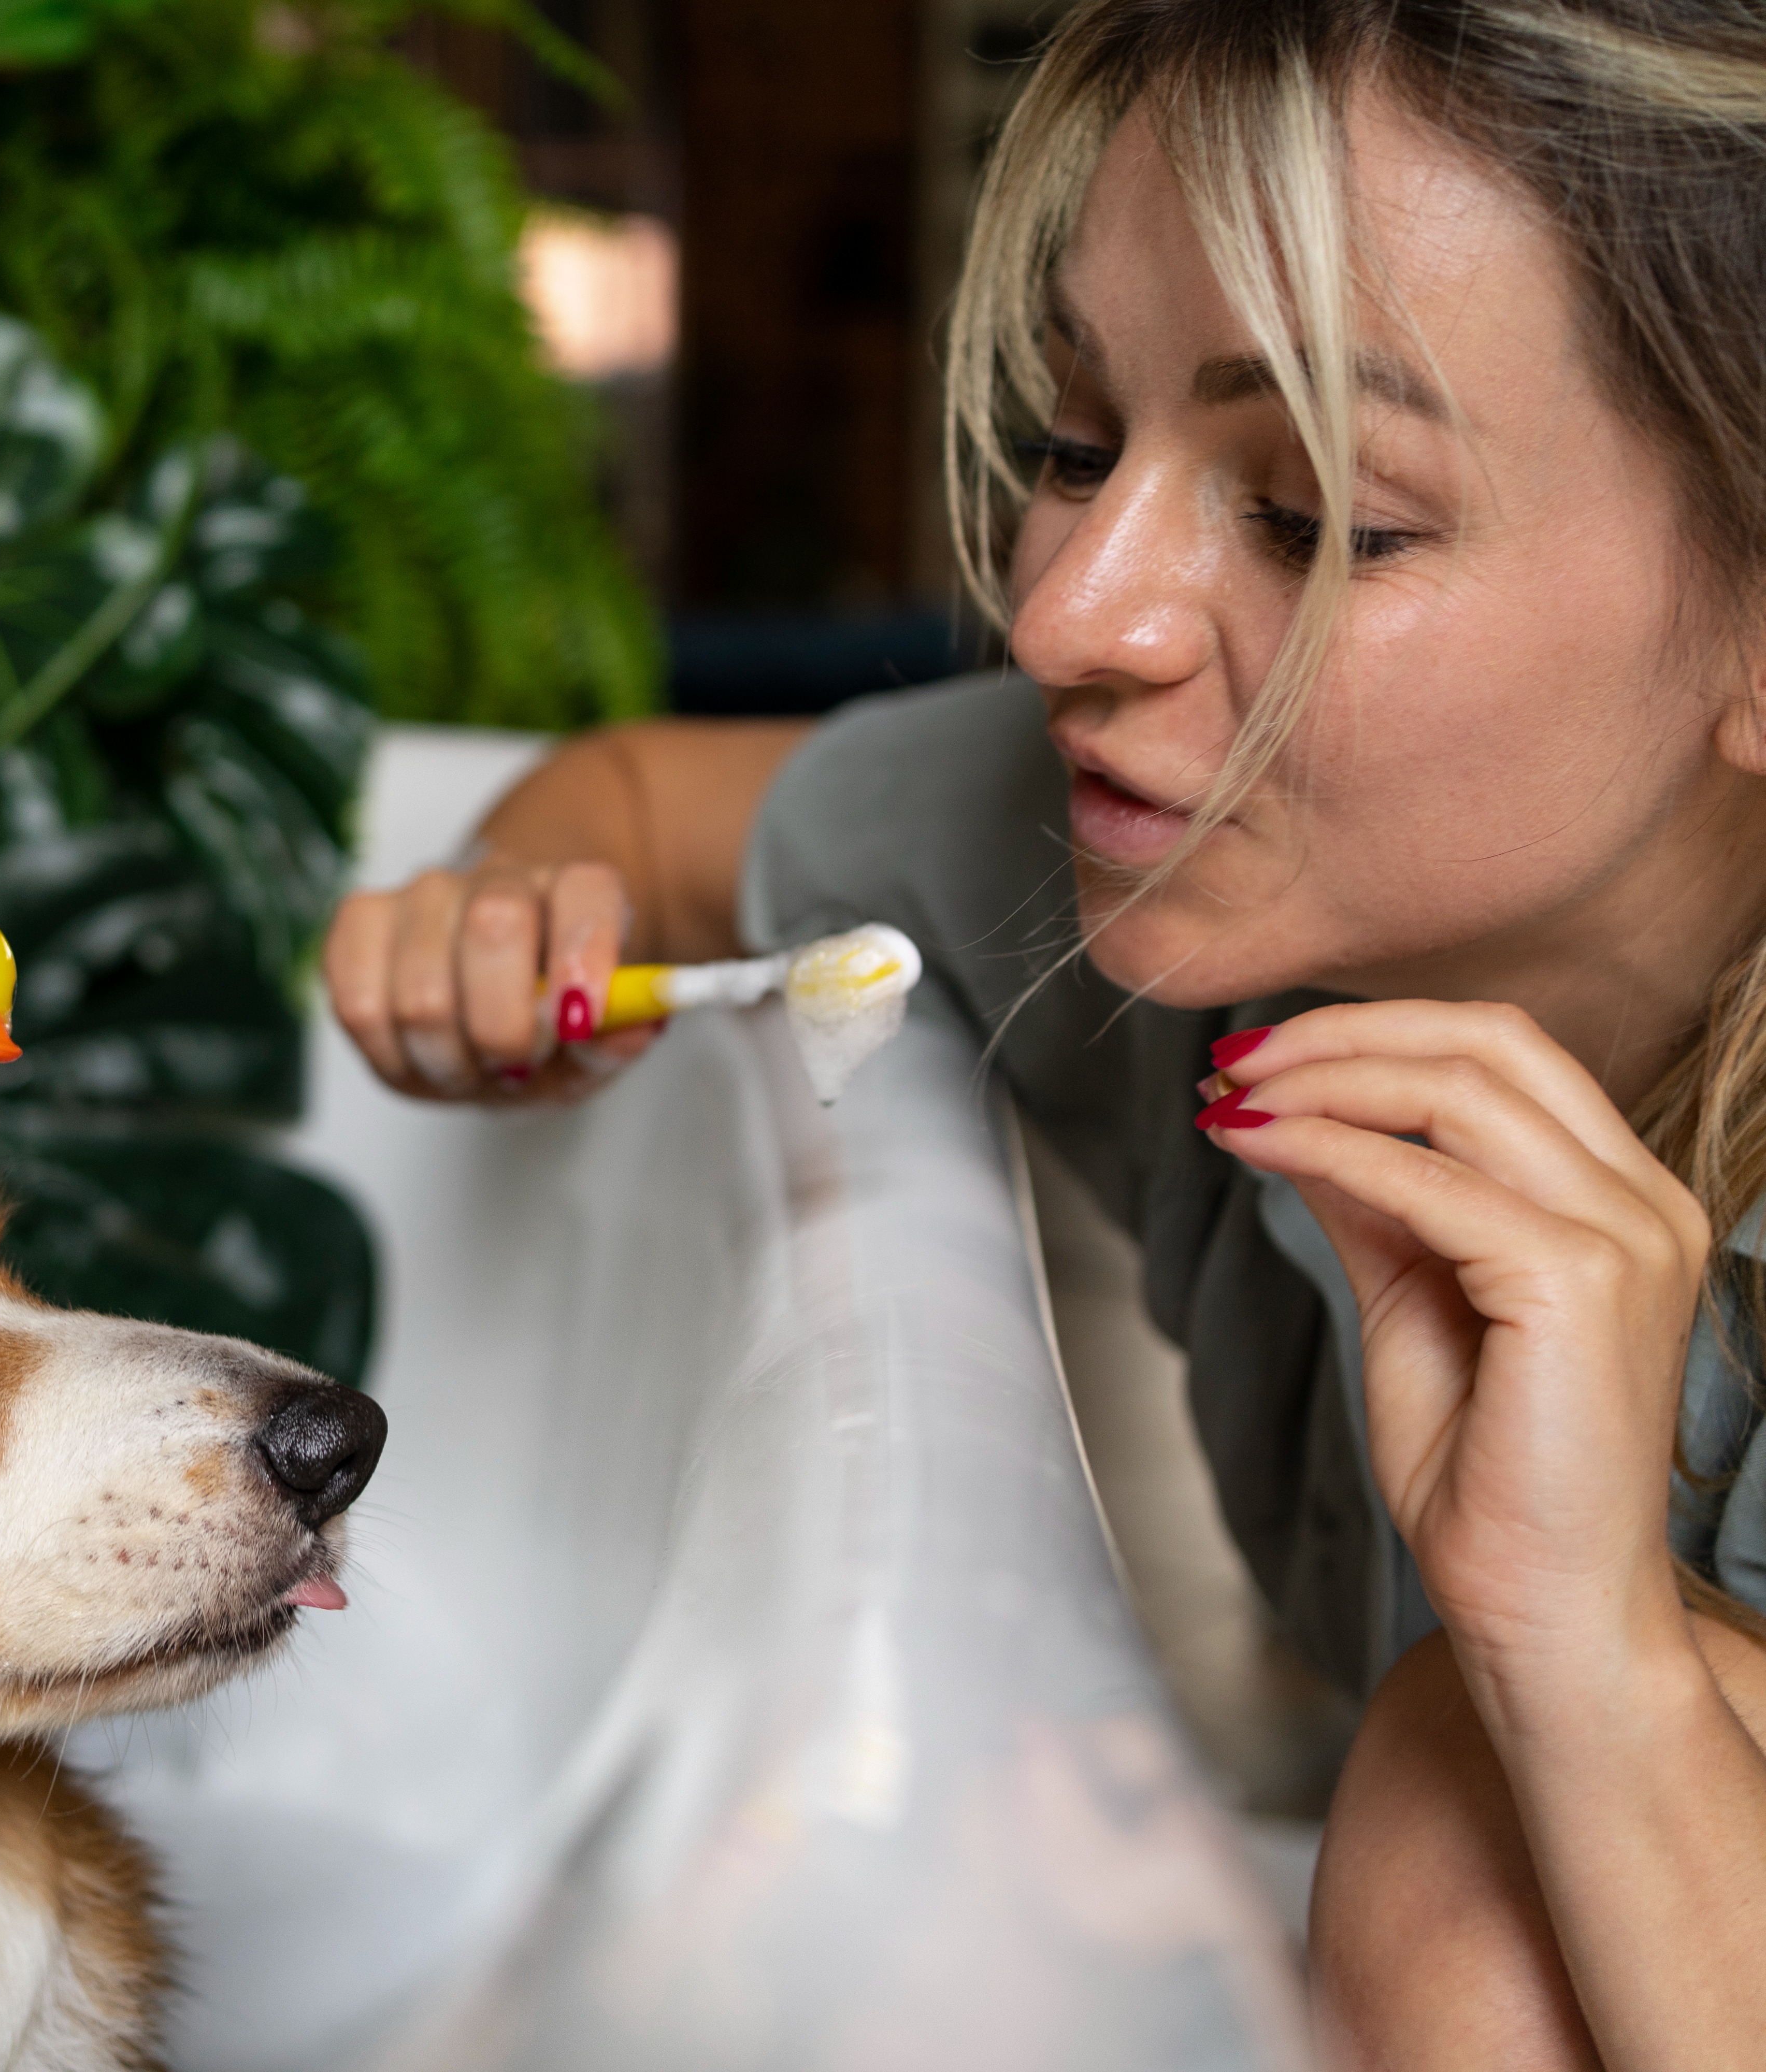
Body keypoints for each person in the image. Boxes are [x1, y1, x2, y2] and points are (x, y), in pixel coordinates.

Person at [323, 3, 1766, 2063]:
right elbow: (636, 811)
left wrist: (1585, 1653)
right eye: (1080, 441)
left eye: (1317, 514)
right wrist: (505, 932)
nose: (1073, 614)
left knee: (1475, 1839)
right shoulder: (1164, 849)